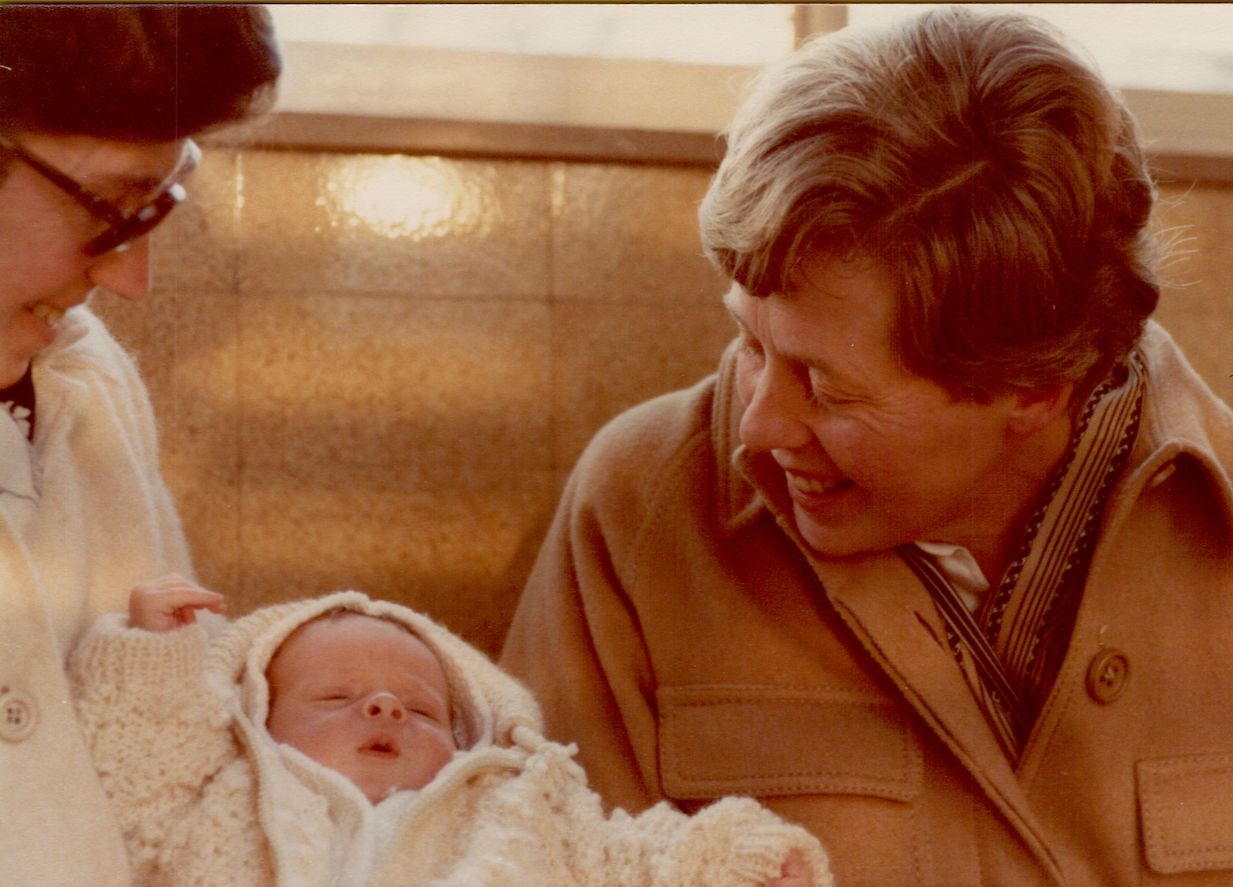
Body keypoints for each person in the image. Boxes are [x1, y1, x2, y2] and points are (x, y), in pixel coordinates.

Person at [500, 7, 1233, 886]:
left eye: (827, 387)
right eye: (751, 344)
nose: (756, 426)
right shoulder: (639, 511)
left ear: (1032, 387)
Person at [0, 7, 280, 886]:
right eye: (115, 205)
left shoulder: (87, 377)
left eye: (157, 202)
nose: (130, 278)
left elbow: (174, 749)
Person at [69, 578, 831, 887]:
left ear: (469, 738)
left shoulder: (513, 809)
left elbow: (634, 861)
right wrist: (151, 654)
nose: (384, 709)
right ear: (259, 724)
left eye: (421, 708)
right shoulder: (225, 797)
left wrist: (743, 862)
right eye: (335, 695)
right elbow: (138, 776)